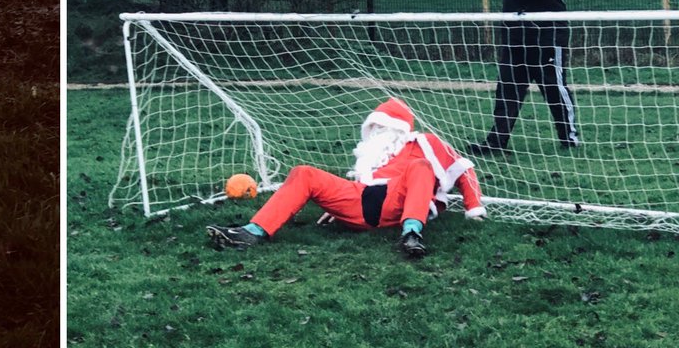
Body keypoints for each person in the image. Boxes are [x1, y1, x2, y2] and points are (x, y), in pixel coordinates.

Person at [207, 98, 486, 258]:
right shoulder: (370, 157)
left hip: (398, 201)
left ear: (399, 127)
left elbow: (464, 169)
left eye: (383, 124)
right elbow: (361, 188)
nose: (377, 129)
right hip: (360, 200)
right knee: (304, 172)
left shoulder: (424, 142)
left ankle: (411, 234)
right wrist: (337, 209)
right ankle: (251, 232)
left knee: (421, 166)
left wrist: (474, 209)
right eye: (373, 125)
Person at [467, 0, 580, 156]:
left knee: (554, 87)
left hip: (546, 37)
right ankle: (496, 142)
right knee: (507, 90)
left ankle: (569, 138)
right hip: (516, 40)